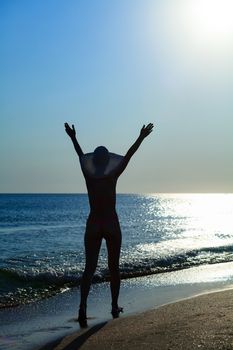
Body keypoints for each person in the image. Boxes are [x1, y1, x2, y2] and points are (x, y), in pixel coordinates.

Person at [64, 122, 154, 327]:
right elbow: (129, 155)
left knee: (89, 268)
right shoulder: (113, 174)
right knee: (114, 267)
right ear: (107, 161)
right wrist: (140, 137)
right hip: (111, 222)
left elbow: (79, 155)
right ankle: (114, 305)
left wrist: (73, 137)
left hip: (94, 222)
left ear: (94, 161)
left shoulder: (88, 174)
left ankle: (83, 307)